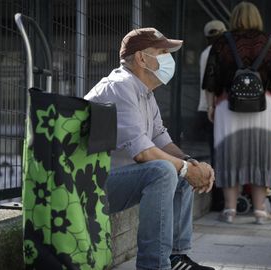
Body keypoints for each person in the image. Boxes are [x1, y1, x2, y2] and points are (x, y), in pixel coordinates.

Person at [84, 28, 215, 270]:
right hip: (88, 186)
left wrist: (191, 163)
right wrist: (187, 169)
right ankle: (154, 265)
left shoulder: (143, 91)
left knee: (178, 170)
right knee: (165, 171)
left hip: (112, 180)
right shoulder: (120, 86)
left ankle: (176, 258)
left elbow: (161, 139)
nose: (169, 58)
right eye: (163, 51)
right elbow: (143, 152)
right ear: (142, 58)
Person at [203, 1, 271, 224]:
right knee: (261, 153)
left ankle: (230, 210)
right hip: (263, 106)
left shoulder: (222, 42)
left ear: (234, 18)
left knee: (229, 154)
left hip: (227, 105)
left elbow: (210, 79)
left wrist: (211, 106)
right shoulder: (269, 42)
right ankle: (260, 211)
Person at [198, 20, 226, 211]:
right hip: (217, 109)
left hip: (204, 108)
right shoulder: (222, 53)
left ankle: (218, 200)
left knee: (215, 155)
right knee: (223, 155)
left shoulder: (204, 53)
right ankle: (223, 199)